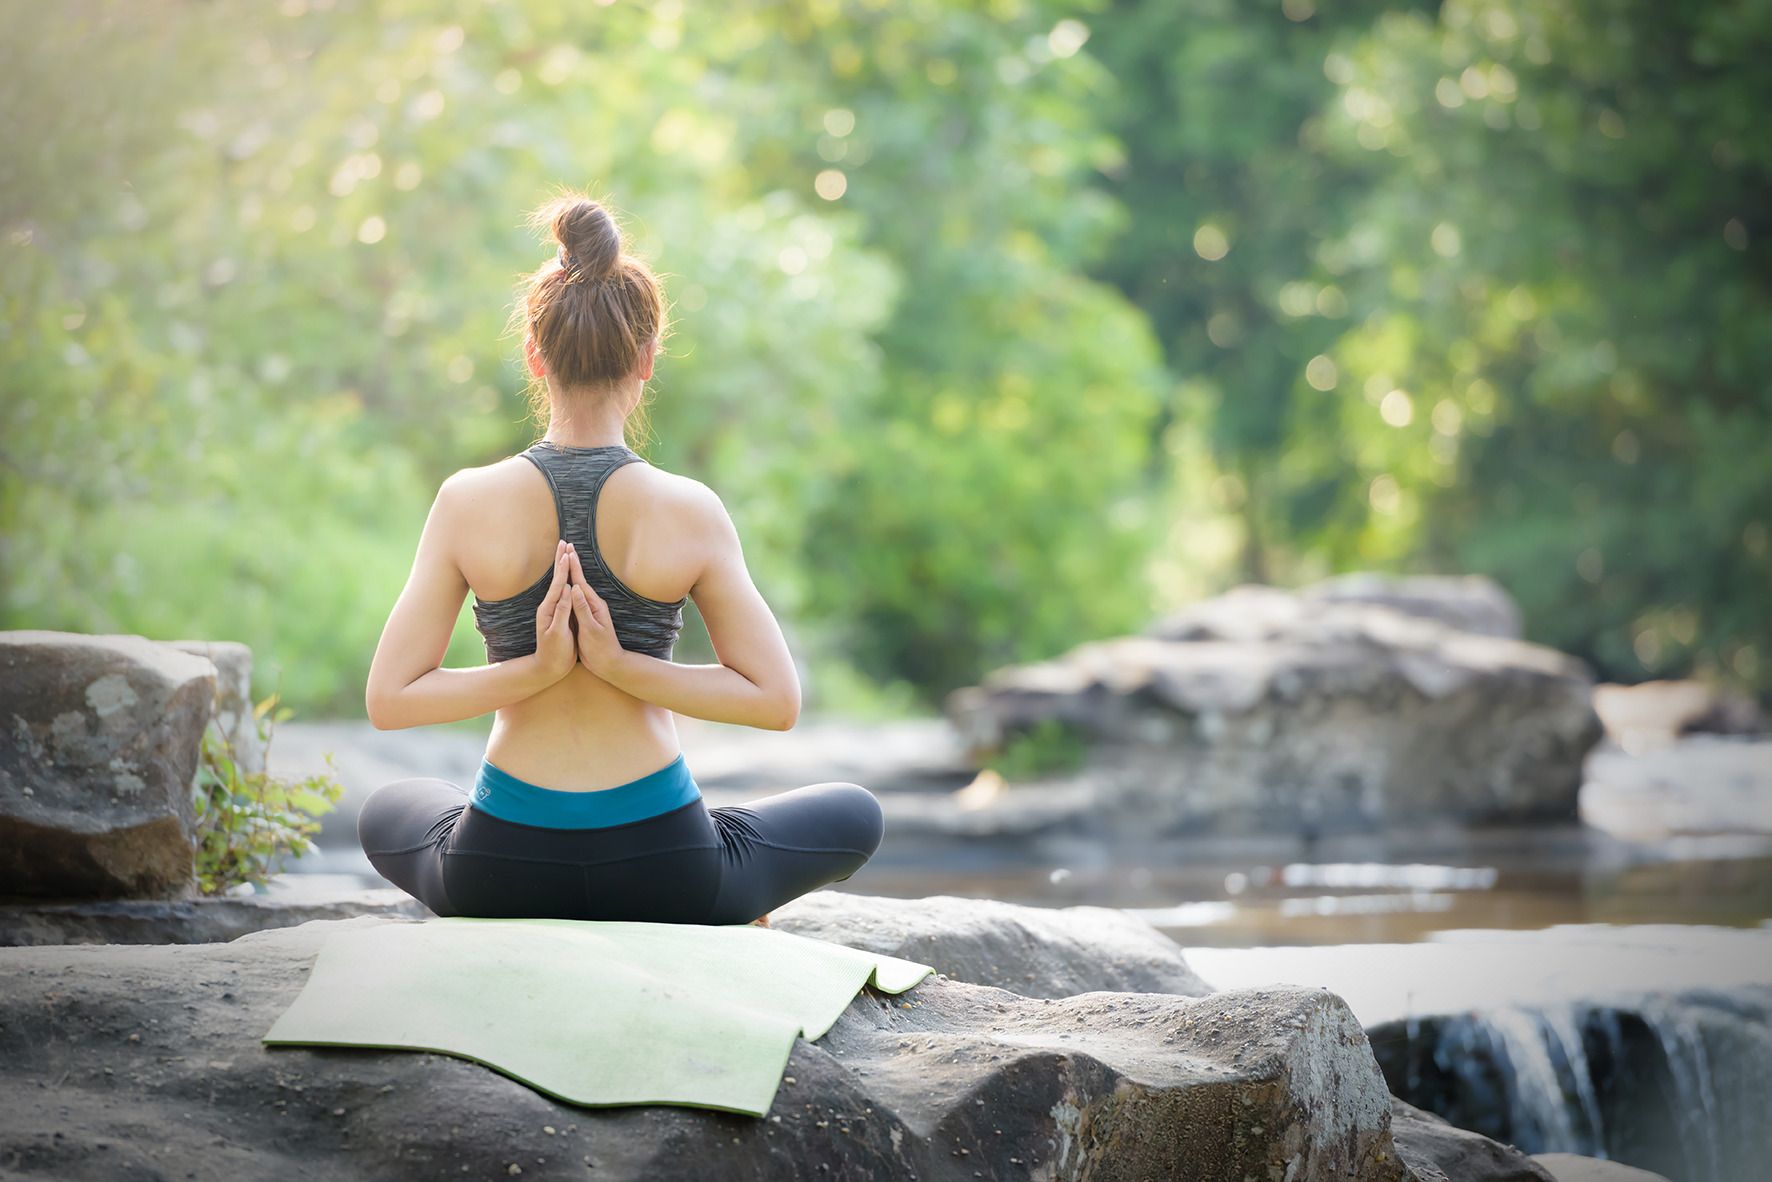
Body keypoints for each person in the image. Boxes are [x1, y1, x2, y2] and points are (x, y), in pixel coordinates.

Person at [356, 191, 883, 927]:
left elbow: (390, 701)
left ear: (535, 356)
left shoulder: (465, 500)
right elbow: (775, 700)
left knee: (387, 809)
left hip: (499, 871)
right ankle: (717, 860)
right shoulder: (689, 509)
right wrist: (623, 667)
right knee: (856, 812)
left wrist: (533, 672)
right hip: (668, 872)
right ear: (646, 358)